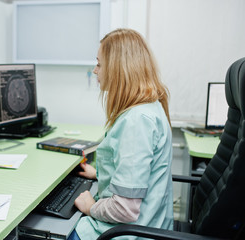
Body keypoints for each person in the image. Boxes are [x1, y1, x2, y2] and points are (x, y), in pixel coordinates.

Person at [70, 28, 174, 240]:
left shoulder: (136, 121)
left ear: (118, 69)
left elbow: (124, 210)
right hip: (149, 224)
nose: (95, 70)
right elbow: (138, 172)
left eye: (99, 64)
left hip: (128, 233)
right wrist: (99, 173)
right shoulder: (148, 108)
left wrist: (91, 207)